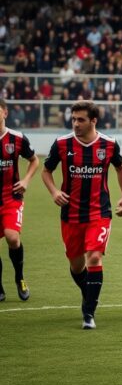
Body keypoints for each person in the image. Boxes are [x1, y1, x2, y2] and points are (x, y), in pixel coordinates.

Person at [41, 101, 122, 329]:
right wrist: (54, 192)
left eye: (80, 120)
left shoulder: (108, 144)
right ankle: (88, 292)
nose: (75, 124)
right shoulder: (62, 144)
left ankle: (88, 313)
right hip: (70, 215)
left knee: (94, 258)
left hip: (99, 212)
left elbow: (121, 167)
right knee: (76, 265)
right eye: (73, 119)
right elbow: (46, 170)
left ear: (93, 121)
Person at [0, 98, 39, 302]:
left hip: (11, 196)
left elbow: (34, 160)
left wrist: (25, 180)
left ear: (5, 112)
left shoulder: (16, 138)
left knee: (12, 238)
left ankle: (19, 277)